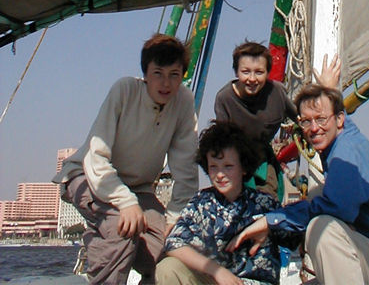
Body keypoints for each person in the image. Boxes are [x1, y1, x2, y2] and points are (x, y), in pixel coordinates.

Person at [228, 83, 369, 285]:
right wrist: (327, 87)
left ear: (339, 119)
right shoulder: (346, 138)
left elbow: (336, 207)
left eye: (320, 119)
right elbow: (336, 116)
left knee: (322, 227)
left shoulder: (346, 153)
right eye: (306, 121)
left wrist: (271, 221)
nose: (314, 128)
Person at [53, 34, 198, 284]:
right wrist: (125, 202)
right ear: (145, 74)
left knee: (172, 248)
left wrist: (175, 219)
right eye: (158, 73)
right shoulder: (125, 90)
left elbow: (186, 169)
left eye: (174, 74)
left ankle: (107, 243)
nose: (166, 83)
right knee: (121, 226)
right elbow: (96, 157)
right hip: (86, 175)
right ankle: (103, 254)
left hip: (139, 188)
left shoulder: (183, 101)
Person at [155, 121, 281, 285]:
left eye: (228, 166)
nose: (220, 174)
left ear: (243, 167)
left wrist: (270, 225)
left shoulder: (264, 204)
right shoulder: (202, 203)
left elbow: (296, 232)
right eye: (214, 167)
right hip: (215, 279)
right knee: (167, 268)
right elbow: (174, 243)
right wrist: (216, 270)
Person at [214, 41, 297, 199]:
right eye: (246, 72)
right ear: (236, 72)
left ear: (267, 72)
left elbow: (302, 119)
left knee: (267, 202)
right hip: (235, 162)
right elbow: (222, 142)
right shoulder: (225, 99)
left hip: (263, 162)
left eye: (259, 72)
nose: (252, 79)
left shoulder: (277, 93)